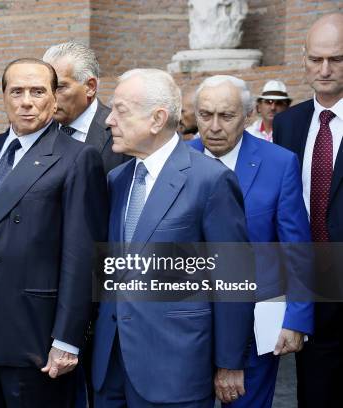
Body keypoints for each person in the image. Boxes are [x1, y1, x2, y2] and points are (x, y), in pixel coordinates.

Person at [0, 58, 108, 407]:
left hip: (34, 334)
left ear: (53, 99)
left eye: (37, 91)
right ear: (4, 97)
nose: (26, 101)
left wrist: (68, 339)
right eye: (17, 91)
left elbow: (81, 256)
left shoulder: (77, 158)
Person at [91, 69, 254, 407]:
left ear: (157, 119)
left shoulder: (210, 181)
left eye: (120, 110)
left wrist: (229, 362)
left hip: (175, 366)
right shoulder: (117, 179)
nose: (109, 120)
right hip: (111, 365)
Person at [189, 75, 313, 408]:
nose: (214, 126)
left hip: (258, 320)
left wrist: (296, 318)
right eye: (205, 115)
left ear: (246, 117)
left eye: (226, 116)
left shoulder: (279, 163)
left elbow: (297, 249)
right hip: (187, 324)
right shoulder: (176, 161)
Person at [273, 13, 343, 408]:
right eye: (316, 59)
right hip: (310, 288)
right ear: (304, 60)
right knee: (315, 393)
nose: (325, 69)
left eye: (336, 59)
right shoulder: (288, 124)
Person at [43, 41, 130, 173]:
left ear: (90, 87)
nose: (49, 97)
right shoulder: (37, 131)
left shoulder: (122, 132)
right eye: (44, 89)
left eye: (59, 87)